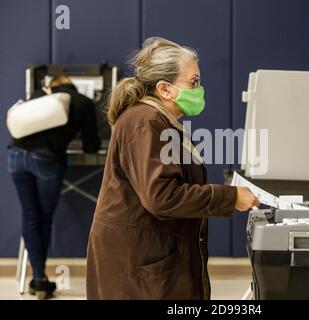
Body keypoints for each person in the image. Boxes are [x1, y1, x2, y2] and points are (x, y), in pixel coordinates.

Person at [86, 37, 259, 300]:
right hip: (139, 260)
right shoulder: (146, 123)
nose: (199, 90)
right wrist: (230, 197)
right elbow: (162, 197)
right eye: (193, 82)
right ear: (165, 89)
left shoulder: (156, 120)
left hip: (146, 252)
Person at [7, 74, 101, 299]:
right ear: (74, 86)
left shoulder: (38, 95)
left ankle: (38, 278)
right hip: (46, 160)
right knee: (44, 218)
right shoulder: (84, 102)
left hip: (15, 156)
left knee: (30, 215)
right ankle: (40, 281)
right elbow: (91, 147)